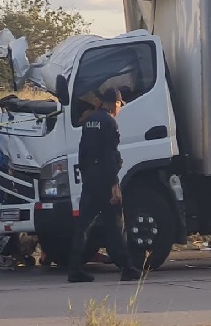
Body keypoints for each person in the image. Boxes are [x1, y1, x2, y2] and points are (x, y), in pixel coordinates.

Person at [67, 87, 141, 283]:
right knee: (115, 225)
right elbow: (109, 155)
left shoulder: (89, 121)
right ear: (116, 103)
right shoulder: (109, 122)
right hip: (104, 180)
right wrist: (114, 184)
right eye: (120, 105)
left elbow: (82, 151)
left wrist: (85, 175)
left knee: (82, 226)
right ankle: (127, 267)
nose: (120, 109)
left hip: (90, 179)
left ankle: (74, 269)